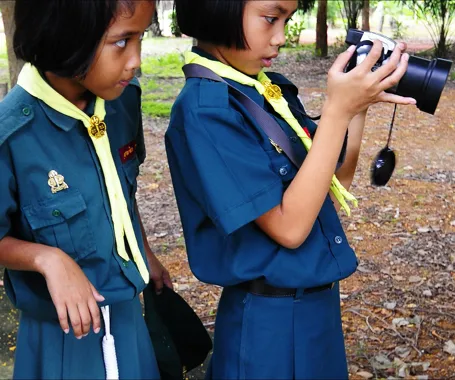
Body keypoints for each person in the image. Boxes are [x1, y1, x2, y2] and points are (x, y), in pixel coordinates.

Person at [166, 1, 415, 378]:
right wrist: (335, 112)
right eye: (270, 18)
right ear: (218, 9)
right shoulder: (206, 110)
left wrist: (357, 107)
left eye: (287, 20)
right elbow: (290, 228)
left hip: (317, 310)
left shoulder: (267, 91)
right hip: (271, 323)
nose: (281, 37)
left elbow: (333, 187)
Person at [0, 0, 172, 378]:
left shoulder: (122, 103)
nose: (136, 61)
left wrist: (143, 252)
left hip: (129, 323)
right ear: (65, 36)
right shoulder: (11, 136)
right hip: (61, 342)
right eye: (122, 41)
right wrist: (47, 259)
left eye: (140, 38)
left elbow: (119, 189)